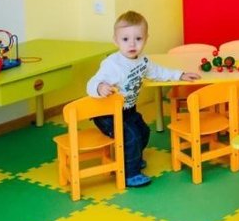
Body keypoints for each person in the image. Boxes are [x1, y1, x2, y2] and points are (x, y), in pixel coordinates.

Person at [86, 10, 200, 187]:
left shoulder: (143, 60)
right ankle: (130, 173)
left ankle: (133, 158)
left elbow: (159, 72)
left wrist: (180, 75)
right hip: (107, 114)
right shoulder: (112, 64)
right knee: (131, 137)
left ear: (146, 39)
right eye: (125, 39)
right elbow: (91, 83)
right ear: (116, 40)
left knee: (144, 132)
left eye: (138, 39)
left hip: (128, 109)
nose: (132, 44)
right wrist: (100, 87)